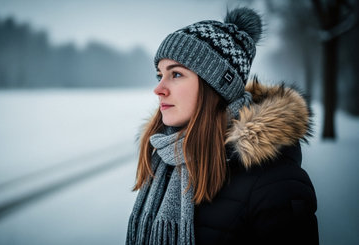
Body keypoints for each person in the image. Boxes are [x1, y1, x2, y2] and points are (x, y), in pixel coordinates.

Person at [125, 7, 319, 245]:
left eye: (175, 74)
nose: (159, 88)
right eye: (159, 75)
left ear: (217, 86)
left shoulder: (276, 184)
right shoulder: (164, 162)